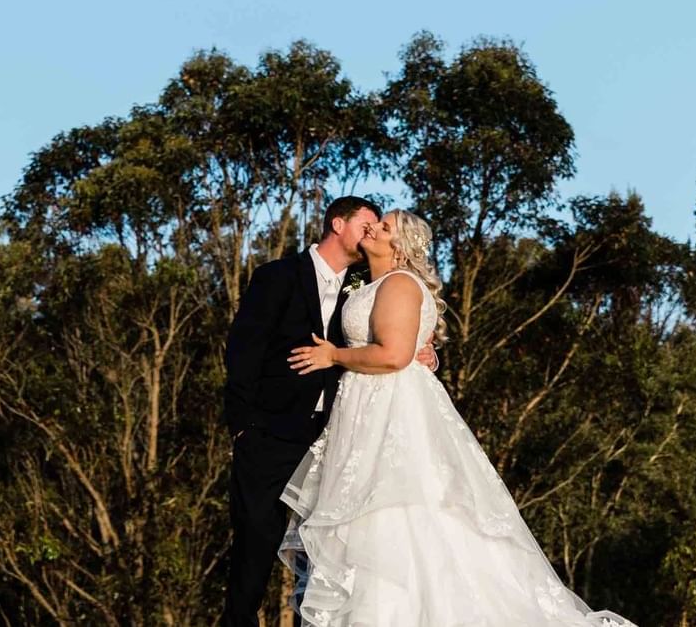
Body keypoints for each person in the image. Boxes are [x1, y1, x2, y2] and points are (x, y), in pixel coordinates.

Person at [279, 210, 638, 626]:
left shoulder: (398, 284)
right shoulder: (374, 284)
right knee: (373, 521)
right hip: (365, 410)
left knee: (396, 515)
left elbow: (393, 356)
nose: (375, 227)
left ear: (400, 246)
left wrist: (333, 355)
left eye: (385, 226)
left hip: (389, 413)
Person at [222, 196, 435, 626]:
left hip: (337, 434)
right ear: (338, 224)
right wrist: (242, 427)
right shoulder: (277, 276)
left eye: (381, 226)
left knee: (326, 545)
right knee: (256, 540)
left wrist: (423, 350)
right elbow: (243, 351)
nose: (373, 230)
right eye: (367, 223)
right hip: (270, 433)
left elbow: (391, 336)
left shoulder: (371, 281)